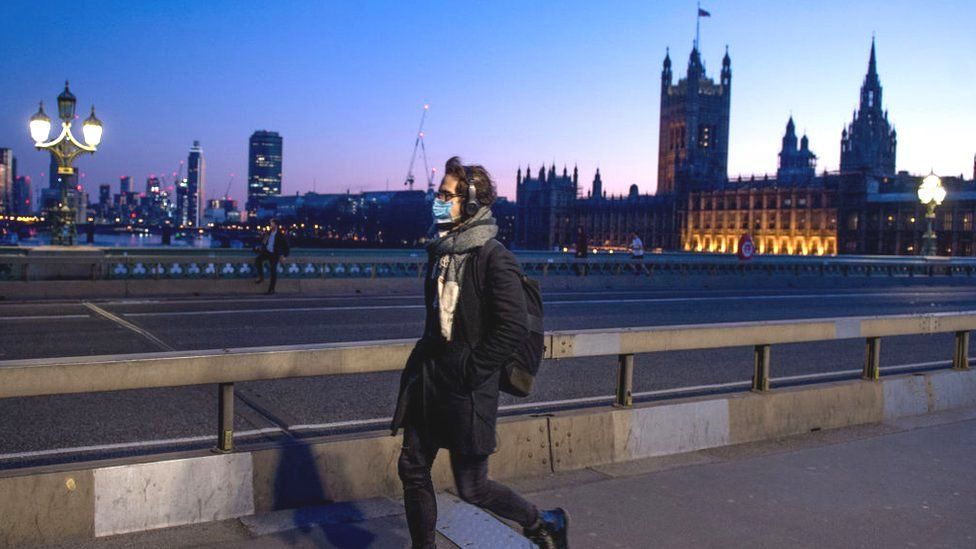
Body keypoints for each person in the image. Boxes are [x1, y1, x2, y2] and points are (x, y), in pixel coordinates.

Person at [391, 157, 569, 549]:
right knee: (413, 469)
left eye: (445, 194)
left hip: (465, 388)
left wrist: (471, 370)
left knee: (473, 487)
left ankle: (545, 522)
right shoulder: (441, 252)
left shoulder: (493, 257)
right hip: (430, 380)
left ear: (470, 204)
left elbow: (513, 327)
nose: (437, 200)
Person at [253, 218, 289, 295]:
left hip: (274, 254)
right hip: (267, 252)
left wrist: (284, 256)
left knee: (273, 271)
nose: (270, 225)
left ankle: (271, 289)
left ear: (275, 225)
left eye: (271, 223)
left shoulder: (280, 235)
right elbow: (264, 243)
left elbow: (286, 246)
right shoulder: (268, 233)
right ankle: (261, 277)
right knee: (258, 260)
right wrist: (259, 248)